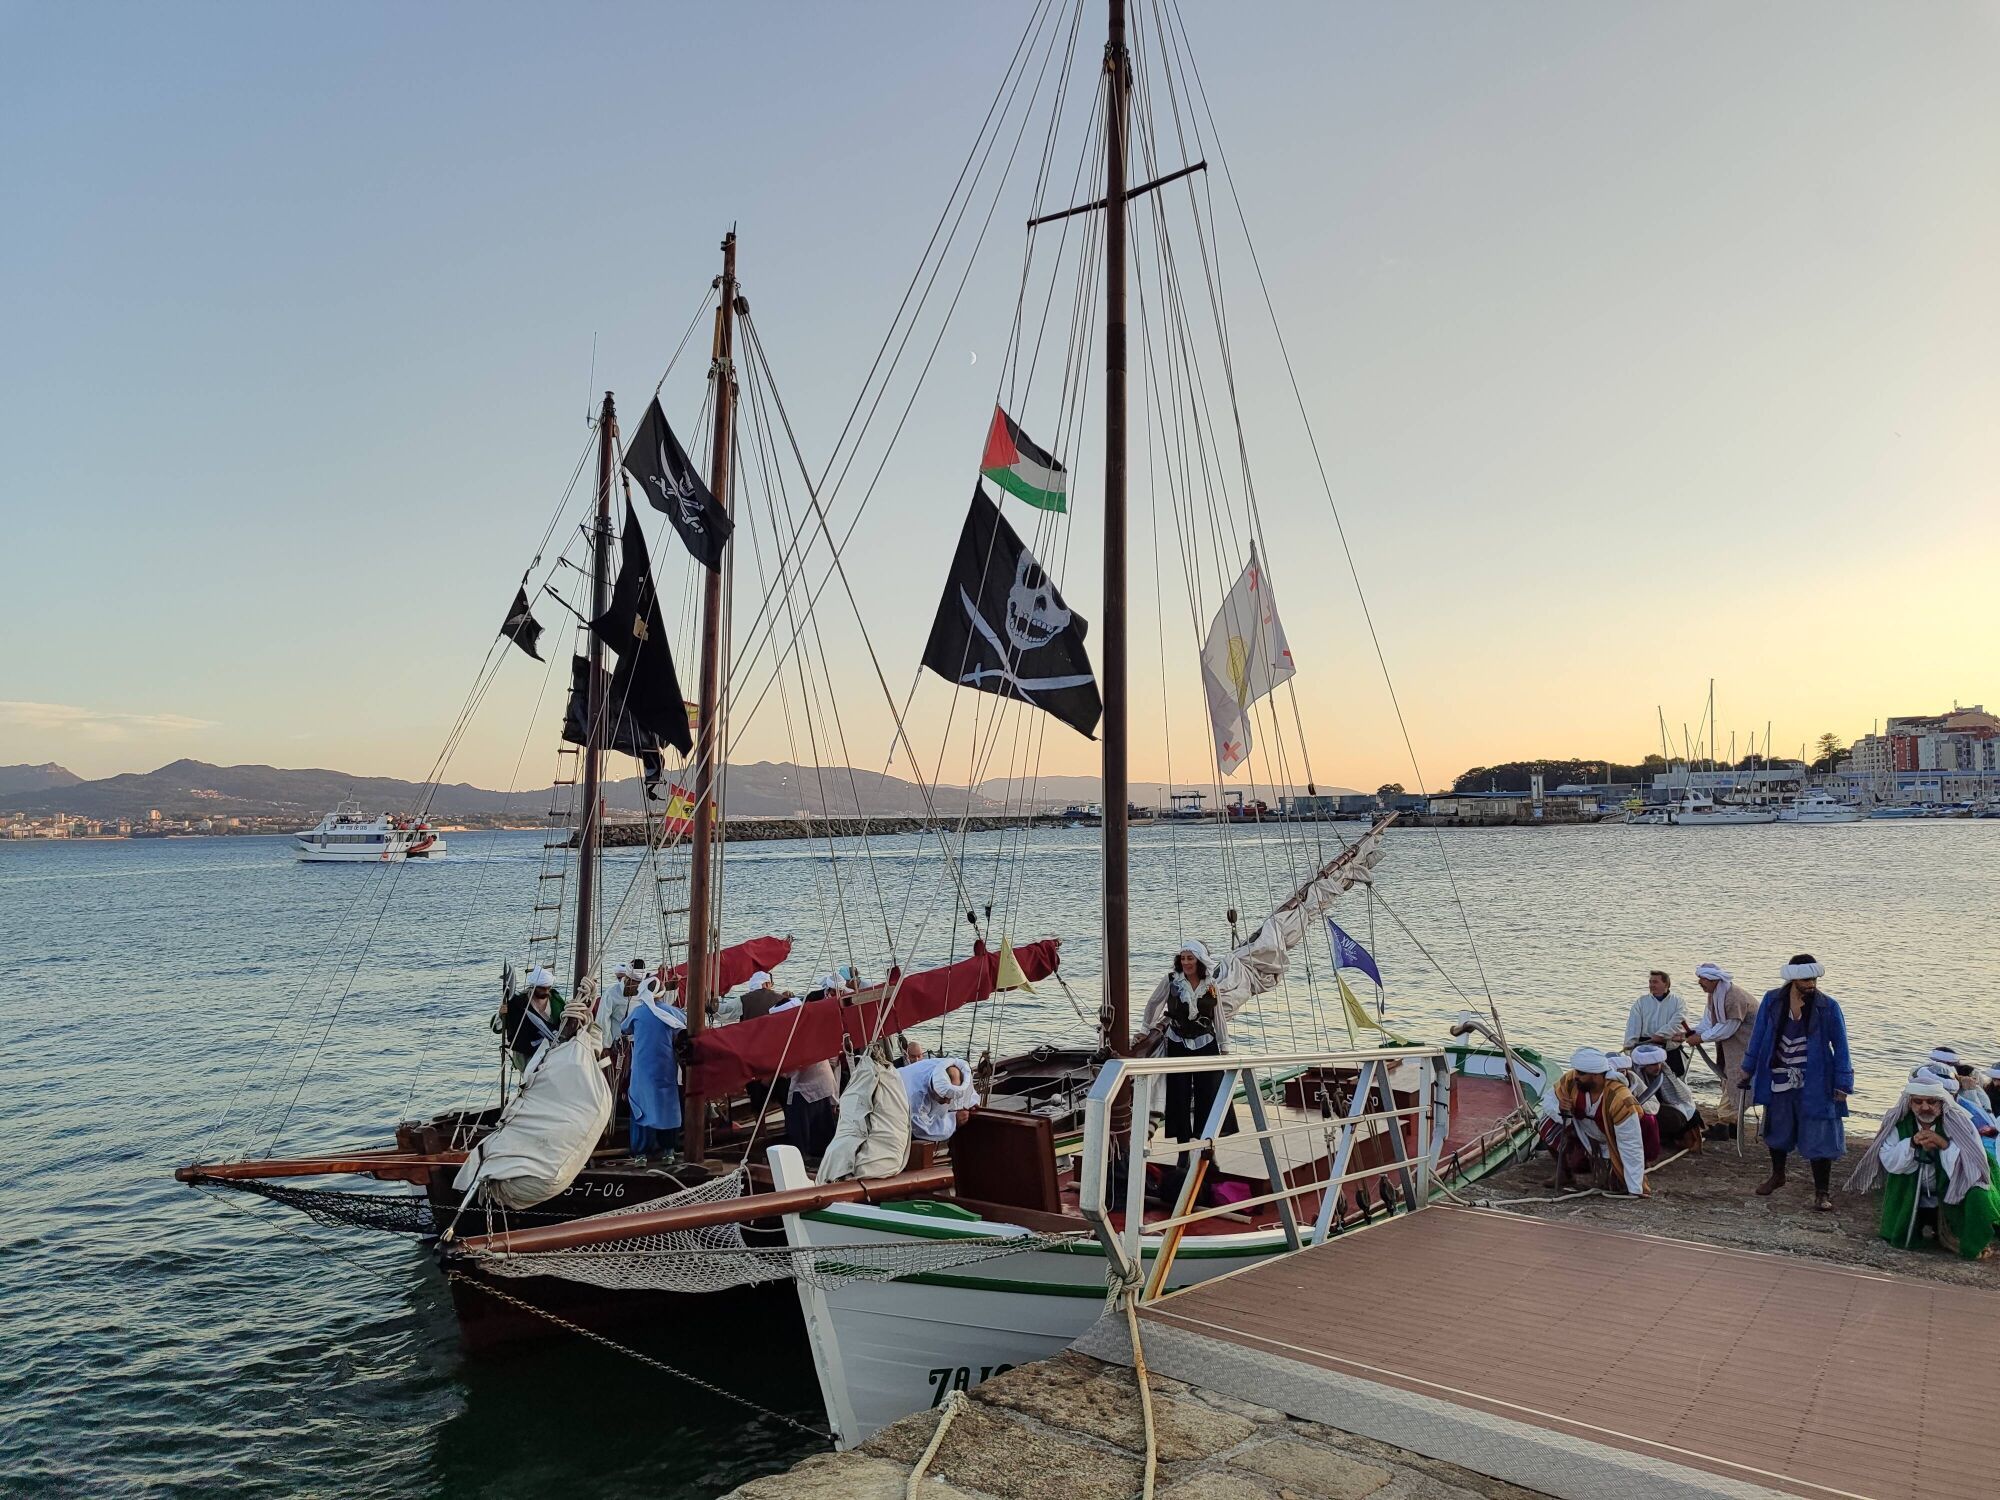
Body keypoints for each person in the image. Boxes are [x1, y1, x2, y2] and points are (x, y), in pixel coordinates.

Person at [1736, 954, 1852, 1211]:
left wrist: (1843, 1083)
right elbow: (1758, 1037)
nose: (1811, 983)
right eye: (1806, 979)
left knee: (1819, 1135)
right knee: (1777, 1129)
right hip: (1779, 1076)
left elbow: (1841, 1045)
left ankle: (1821, 1192)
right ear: (1793, 979)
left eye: (1813, 978)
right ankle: (1778, 1175)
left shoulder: (1828, 1006)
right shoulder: (1772, 1001)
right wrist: (1747, 1069)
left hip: (1816, 1080)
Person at [1848, 1076, 2000, 1259]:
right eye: (1918, 1102)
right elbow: (1888, 1160)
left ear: (1941, 1102)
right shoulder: (1899, 1124)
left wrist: (1944, 1145)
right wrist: (1912, 1143)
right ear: (1910, 1103)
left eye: (1931, 1102)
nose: (1925, 1107)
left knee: (1979, 1194)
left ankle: (1972, 1240)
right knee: (1902, 1235)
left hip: (1949, 1194)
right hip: (1914, 1192)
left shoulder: (1959, 1123)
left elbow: (1974, 1163)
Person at [1538, 1047, 1646, 1195]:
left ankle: (1613, 1171)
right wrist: (1561, 1109)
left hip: (1611, 1143)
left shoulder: (1620, 1099)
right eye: (1576, 1071)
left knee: (1615, 1186)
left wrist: (1635, 1189)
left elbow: (1631, 1143)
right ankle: (1565, 1174)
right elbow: (1548, 1100)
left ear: (1595, 1076)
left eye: (1581, 1073)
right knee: (1546, 1123)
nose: (1575, 1076)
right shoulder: (1571, 1081)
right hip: (1583, 1134)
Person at [1684, 962, 1755, 1139]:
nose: (1700, 983)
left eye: (1703, 979)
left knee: (1737, 1081)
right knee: (1728, 1080)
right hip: (1731, 1047)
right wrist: (1690, 1034)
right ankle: (1731, 1126)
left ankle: (1725, 1124)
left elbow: (1727, 1028)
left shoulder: (1734, 997)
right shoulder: (1714, 995)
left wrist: (1699, 1038)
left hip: (1747, 1046)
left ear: (1714, 979)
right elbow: (1708, 1024)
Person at [621, 981, 686, 1158]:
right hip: (665, 1067)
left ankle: (641, 1154)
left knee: (641, 1105)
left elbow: (624, 1028)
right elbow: (685, 1025)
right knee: (667, 1106)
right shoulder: (672, 1012)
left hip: (642, 1069)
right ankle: (669, 1152)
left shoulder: (638, 1012)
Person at [1630, 1043, 1703, 1157]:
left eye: (1659, 1063)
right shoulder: (1634, 1078)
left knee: (1691, 1112)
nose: (1658, 1067)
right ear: (1643, 1066)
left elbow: (1680, 1097)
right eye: (1653, 1064)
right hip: (1643, 1110)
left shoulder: (1663, 1074)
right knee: (1671, 1118)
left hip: (1662, 1106)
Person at [900, 1056, 979, 1142]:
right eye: (944, 1097)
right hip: (894, 1101)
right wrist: (953, 1121)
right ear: (935, 1089)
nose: (948, 1102)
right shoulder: (917, 1095)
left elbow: (964, 1090)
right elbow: (921, 1128)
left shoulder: (954, 1069)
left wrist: (970, 1103)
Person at [497, 966, 566, 1066]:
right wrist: (501, 1015)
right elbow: (497, 1028)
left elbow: (565, 1020)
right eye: (542, 988)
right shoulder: (519, 1002)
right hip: (526, 1051)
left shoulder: (556, 1001)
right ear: (533, 986)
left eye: (548, 987)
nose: (546, 991)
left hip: (553, 1046)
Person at [1625, 971, 1688, 1077]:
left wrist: (1661, 1035)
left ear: (1666, 984)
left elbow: (1678, 1021)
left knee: (1675, 1078)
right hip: (1645, 1047)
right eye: (1650, 982)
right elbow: (1633, 1026)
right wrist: (1629, 1047)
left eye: (1655, 982)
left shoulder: (1678, 1002)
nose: (1651, 985)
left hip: (1668, 1046)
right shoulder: (1641, 1002)